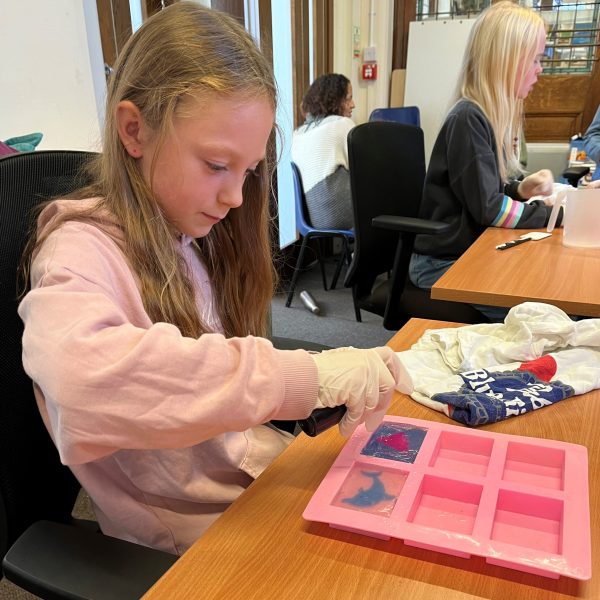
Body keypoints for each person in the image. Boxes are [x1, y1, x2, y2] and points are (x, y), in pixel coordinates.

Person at [17, 3, 401, 556]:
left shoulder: (186, 236)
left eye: (246, 170)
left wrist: (318, 384)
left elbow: (215, 385)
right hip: (190, 538)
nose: (236, 196)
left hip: (245, 480)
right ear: (134, 131)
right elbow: (81, 385)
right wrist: (304, 378)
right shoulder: (77, 250)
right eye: (217, 166)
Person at [409, 1, 561, 322]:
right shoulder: (468, 119)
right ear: (507, 61)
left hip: (466, 255)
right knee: (545, 314)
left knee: (546, 292)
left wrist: (520, 189)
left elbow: (485, 190)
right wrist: (551, 214)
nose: (540, 69)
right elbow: (489, 209)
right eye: (535, 59)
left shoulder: (482, 118)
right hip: (441, 264)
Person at [291, 73, 355, 230]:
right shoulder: (342, 124)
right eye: (348, 98)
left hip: (311, 218)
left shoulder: (298, 133)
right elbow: (365, 170)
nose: (353, 104)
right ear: (335, 100)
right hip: (337, 215)